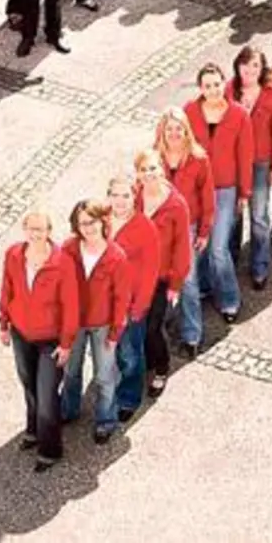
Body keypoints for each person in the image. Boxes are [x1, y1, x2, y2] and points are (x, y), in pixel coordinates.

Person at [0, 210, 79, 474]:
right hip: (21, 333)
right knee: (28, 385)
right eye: (31, 229)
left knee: (46, 395)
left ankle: (50, 449)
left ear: (49, 231)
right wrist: (4, 323)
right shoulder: (13, 255)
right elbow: (7, 289)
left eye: (41, 230)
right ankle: (32, 431)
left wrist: (66, 344)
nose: (36, 234)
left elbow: (71, 306)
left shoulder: (62, 263)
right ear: (24, 229)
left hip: (50, 340)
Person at [183, 65, 253, 326]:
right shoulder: (190, 111)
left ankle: (229, 299)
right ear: (200, 88)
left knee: (219, 248)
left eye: (216, 84)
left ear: (225, 83)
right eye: (207, 85)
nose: (213, 90)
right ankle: (203, 285)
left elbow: (245, 156)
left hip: (225, 188)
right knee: (199, 243)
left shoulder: (238, 115)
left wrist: (244, 193)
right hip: (198, 189)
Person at [59, 199, 130, 444]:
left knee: (104, 375)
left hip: (103, 324)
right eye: (82, 224)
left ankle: (105, 419)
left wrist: (115, 332)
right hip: (74, 322)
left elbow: (122, 298)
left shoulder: (116, 256)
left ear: (103, 222)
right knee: (70, 370)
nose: (87, 228)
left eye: (91, 222)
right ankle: (68, 409)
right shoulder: (68, 248)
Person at [153, 109, 214, 359]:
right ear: (162, 132)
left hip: (188, 227)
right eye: (170, 129)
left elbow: (207, 196)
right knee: (161, 277)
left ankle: (192, 334)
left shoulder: (199, 159)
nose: (174, 133)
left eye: (179, 128)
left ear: (186, 130)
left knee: (187, 279)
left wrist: (204, 230)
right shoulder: (155, 159)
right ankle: (164, 320)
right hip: (159, 229)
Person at [228, 46, 272, 289]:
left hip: (260, 163)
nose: (250, 70)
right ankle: (230, 261)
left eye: (255, 65)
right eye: (245, 64)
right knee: (234, 214)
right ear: (237, 65)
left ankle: (260, 264)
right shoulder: (228, 91)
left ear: (262, 68)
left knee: (259, 216)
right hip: (232, 162)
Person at [133, 149, 189, 397]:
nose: (149, 174)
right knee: (137, 323)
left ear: (162, 169)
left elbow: (182, 248)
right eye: (143, 169)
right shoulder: (134, 197)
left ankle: (162, 367)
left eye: (153, 168)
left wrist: (176, 284)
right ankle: (145, 360)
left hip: (161, 277)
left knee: (154, 326)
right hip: (135, 275)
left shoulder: (176, 205)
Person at [109, 172, 160, 421]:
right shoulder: (102, 221)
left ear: (134, 197)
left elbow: (151, 271)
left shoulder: (145, 228)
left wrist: (138, 308)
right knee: (108, 350)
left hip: (130, 306)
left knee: (130, 353)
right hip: (103, 304)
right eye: (115, 195)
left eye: (125, 196)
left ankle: (129, 397)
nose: (120, 201)